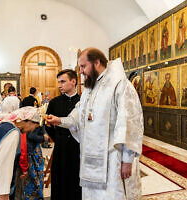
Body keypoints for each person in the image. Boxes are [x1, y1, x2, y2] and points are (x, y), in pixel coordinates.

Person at [47, 48, 144, 200]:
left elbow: (129, 123)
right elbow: (77, 116)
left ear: (96, 62)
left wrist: (127, 159)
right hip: (90, 162)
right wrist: (59, 121)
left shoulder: (120, 85)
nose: (80, 72)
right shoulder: (89, 89)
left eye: (83, 66)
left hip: (113, 160)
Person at [45, 69, 81, 200]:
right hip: (61, 148)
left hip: (78, 149)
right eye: (58, 82)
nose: (59, 85)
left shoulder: (83, 101)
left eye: (63, 81)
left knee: (76, 181)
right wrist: (58, 138)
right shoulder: (54, 102)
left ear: (73, 82)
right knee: (60, 180)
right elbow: (48, 126)